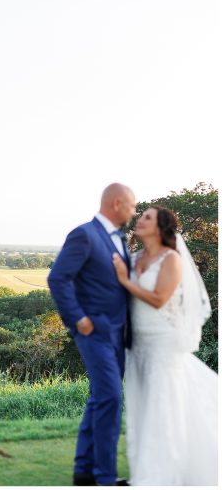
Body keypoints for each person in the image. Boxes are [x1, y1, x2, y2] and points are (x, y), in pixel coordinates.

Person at [110, 206, 217, 485]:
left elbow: (158, 298)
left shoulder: (172, 259)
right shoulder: (132, 258)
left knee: (163, 406)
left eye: (147, 217)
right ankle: (146, 470)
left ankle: (162, 476)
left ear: (160, 227)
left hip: (163, 342)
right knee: (143, 405)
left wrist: (124, 279)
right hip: (137, 343)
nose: (139, 220)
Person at [47, 182, 136, 486]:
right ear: (116, 203)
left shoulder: (118, 239)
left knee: (99, 398)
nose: (134, 211)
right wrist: (78, 319)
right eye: (132, 205)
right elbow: (58, 277)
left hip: (118, 334)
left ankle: (83, 471)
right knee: (110, 396)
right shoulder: (84, 234)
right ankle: (105, 478)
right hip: (94, 331)